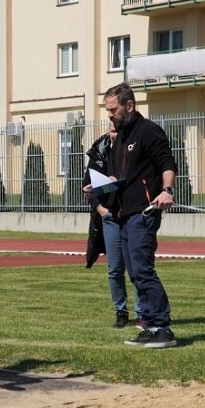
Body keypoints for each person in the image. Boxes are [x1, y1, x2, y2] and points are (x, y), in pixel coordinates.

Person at [102, 83, 178, 348]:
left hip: (143, 214)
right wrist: (100, 185)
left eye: (113, 110)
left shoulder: (148, 131)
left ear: (129, 106)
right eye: (107, 111)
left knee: (143, 271)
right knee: (134, 273)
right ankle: (147, 326)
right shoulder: (120, 139)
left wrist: (167, 190)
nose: (110, 115)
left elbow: (167, 163)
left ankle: (163, 328)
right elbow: (119, 178)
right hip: (124, 215)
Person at [82, 122, 145, 330]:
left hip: (131, 213)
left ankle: (142, 313)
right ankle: (121, 312)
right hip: (110, 215)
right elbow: (87, 184)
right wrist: (101, 209)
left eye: (117, 131)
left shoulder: (133, 146)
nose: (114, 134)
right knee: (115, 268)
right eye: (112, 130)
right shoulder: (100, 149)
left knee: (136, 267)